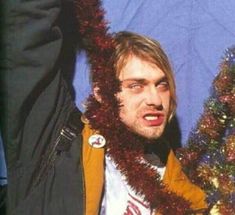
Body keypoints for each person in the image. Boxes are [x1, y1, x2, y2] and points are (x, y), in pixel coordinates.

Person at [2, 0, 208, 214]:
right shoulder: (55, 142)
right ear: (102, 94)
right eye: (136, 86)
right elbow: (27, 46)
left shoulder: (174, 179)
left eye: (162, 85)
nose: (156, 100)